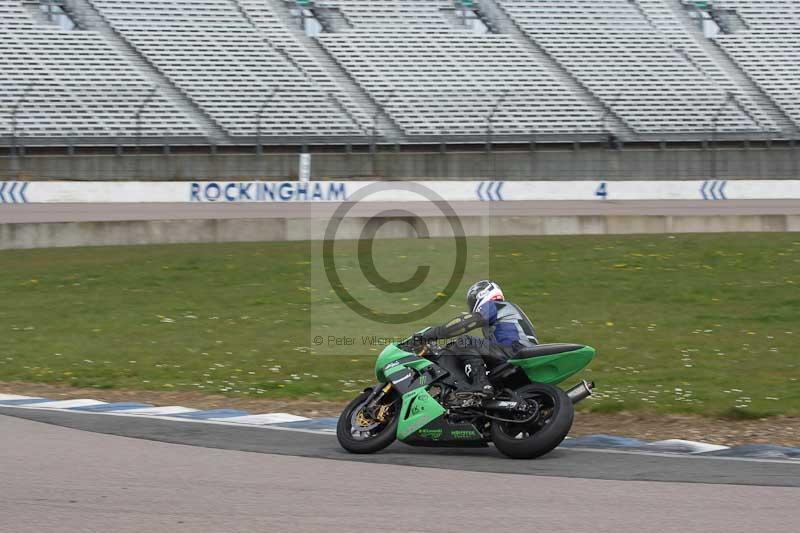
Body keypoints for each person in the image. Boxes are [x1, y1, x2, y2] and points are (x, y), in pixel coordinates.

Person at [416, 280, 538, 396]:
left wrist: (432, 334)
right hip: (519, 352)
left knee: (465, 341)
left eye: (472, 301)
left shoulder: (494, 305)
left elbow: (466, 322)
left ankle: (481, 385)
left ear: (482, 294)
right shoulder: (507, 310)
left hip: (514, 349)